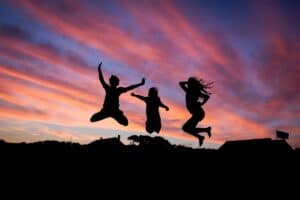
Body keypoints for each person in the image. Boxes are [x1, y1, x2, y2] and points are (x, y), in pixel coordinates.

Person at [179, 77, 212, 146]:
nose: (188, 84)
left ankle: (204, 132)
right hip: (198, 113)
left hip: (198, 113)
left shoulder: (191, 91)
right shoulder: (192, 91)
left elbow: (181, 83)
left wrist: (201, 104)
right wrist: (201, 103)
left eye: (189, 83)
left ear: (191, 84)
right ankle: (202, 135)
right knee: (187, 129)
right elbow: (180, 83)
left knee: (185, 128)